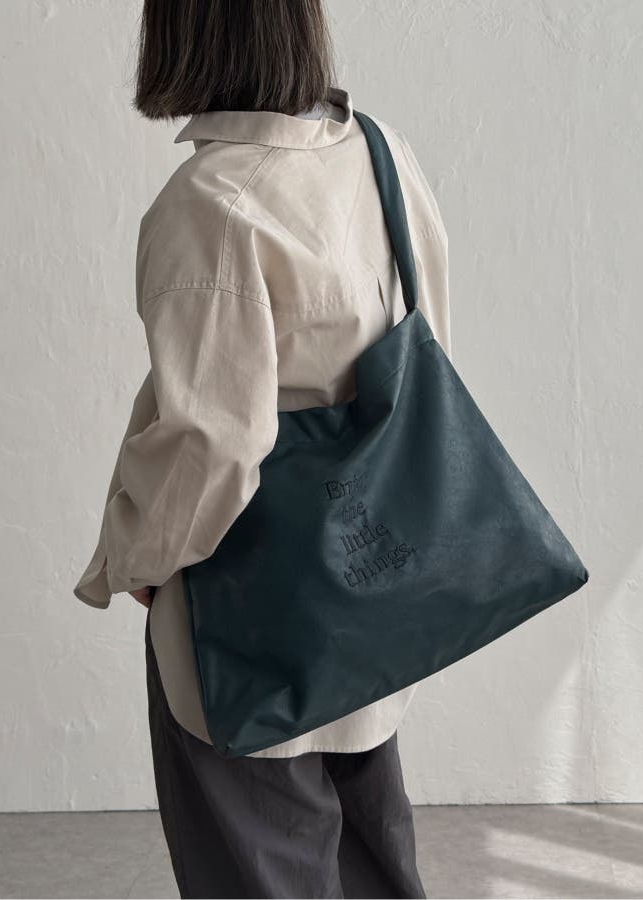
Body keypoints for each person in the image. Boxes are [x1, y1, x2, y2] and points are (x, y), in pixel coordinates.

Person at [73, 1, 451, 896]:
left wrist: (138, 558)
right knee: (370, 855)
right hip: (369, 589)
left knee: (257, 863)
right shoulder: (380, 154)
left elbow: (213, 444)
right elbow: (428, 349)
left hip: (242, 613)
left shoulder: (210, 203)